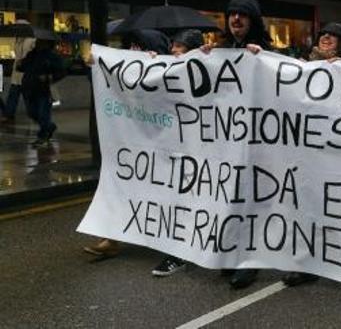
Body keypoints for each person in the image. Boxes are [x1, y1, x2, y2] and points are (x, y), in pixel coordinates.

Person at [201, 0, 271, 289]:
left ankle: (250, 261)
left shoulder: (269, 52)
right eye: (232, 14)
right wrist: (202, 59)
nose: (236, 19)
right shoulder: (220, 50)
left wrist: (264, 57)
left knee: (252, 203)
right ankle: (231, 253)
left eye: (243, 15)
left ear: (253, 20)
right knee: (228, 200)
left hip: (257, 145)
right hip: (227, 142)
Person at [84, 29, 171, 259]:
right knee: (120, 184)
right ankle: (111, 239)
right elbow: (105, 80)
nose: (133, 51)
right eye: (131, 46)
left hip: (162, 144)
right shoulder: (128, 69)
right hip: (132, 144)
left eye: (139, 47)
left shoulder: (166, 71)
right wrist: (94, 64)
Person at [282, 22, 341, 290]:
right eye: (324, 33)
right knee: (306, 208)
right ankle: (307, 264)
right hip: (307, 152)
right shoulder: (302, 65)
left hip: (340, 154)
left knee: (337, 209)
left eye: (334, 35)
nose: (326, 37)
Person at [151, 29, 203, 278]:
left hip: (201, 152)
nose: (172, 51)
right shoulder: (167, 70)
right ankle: (179, 249)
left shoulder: (208, 74)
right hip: (173, 149)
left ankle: (183, 250)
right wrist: (146, 64)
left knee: (191, 200)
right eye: (172, 46)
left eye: (179, 47)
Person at [17, 38, 65, 146]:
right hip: (28, 88)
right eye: (37, 41)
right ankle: (49, 127)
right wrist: (20, 64)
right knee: (32, 112)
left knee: (43, 113)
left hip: (43, 90)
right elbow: (23, 67)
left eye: (40, 42)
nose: (37, 43)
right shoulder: (31, 54)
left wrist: (48, 77)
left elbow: (62, 71)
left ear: (47, 43)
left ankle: (42, 136)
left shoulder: (52, 57)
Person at [3, 20, 36, 123]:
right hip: (17, 72)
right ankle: (9, 114)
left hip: (27, 73)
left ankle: (34, 115)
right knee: (13, 95)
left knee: (27, 97)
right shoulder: (18, 40)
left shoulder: (31, 40)